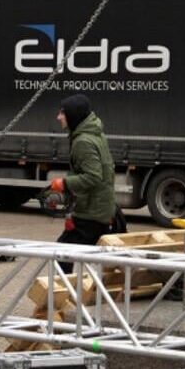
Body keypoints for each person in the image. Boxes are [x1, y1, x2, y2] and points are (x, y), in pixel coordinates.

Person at [48, 95, 116, 271]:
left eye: (62, 113)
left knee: (61, 255)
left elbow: (93, 176)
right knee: (115, 258)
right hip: (100, 209)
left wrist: (64, 183)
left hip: (91, 214)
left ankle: (61, 295)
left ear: (73, 115)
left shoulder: (83, 141)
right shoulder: (95, 134)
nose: (58, 117)